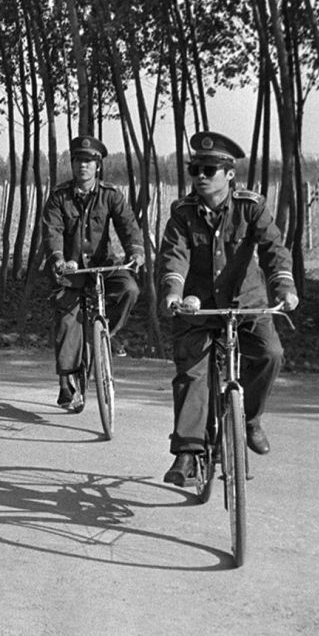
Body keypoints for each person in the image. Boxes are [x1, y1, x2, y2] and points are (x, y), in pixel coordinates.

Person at [158, 131, 297, 486]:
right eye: (194, 169)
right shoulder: (183, 214)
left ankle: (248, 419)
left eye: (209, 169)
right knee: (192, 372)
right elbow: (175, 256)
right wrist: (173, 293)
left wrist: (285, 288)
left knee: (271, 353)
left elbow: (273, 249)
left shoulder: (251, 207)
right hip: (198, 307)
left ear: (229, 174)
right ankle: (188, 452)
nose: (200, 176)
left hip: (245, 303)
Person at [41, 136, 144, 412]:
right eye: (78, 161)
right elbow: (52, 232)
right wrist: (59, 259)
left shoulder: (111, 195)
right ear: (72, 164)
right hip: (72, 270)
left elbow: (128, 226)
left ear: (98, 166)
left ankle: (105, 333)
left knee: (129, 289)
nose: (83, 166)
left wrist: (135, 252)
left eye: (89, 162)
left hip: (104, 265)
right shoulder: (59, 197)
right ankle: (67, 382)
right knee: (66, 322)